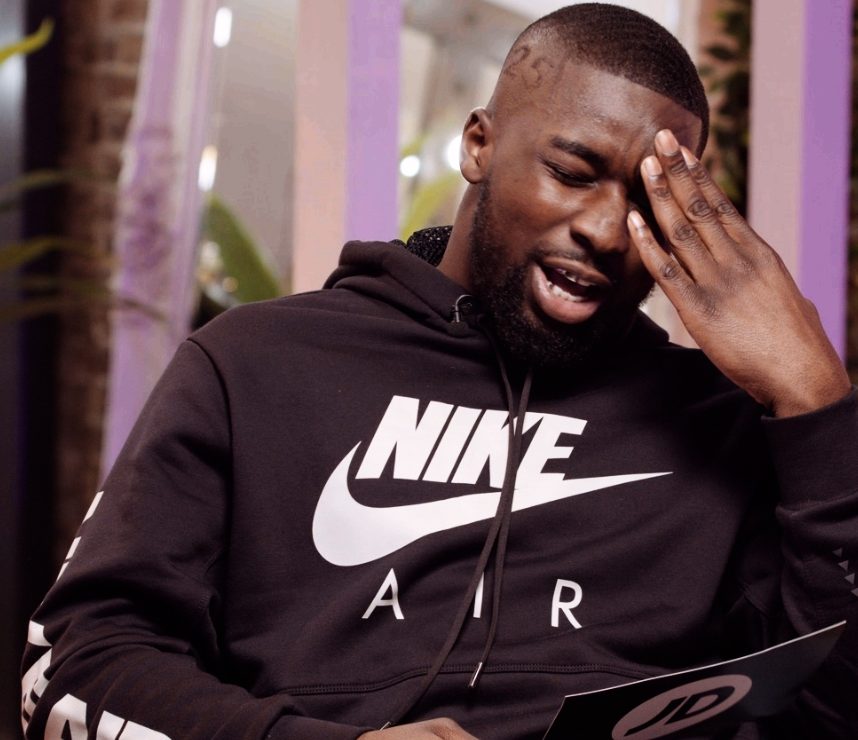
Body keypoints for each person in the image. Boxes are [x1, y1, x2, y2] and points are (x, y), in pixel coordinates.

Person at [21, 4, 857, 739]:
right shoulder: (254, 366)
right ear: (479, 145)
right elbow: (72, 670)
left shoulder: (716, 425)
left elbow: (832, 712)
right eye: (571, 173)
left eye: (646, 203)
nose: (606, 231)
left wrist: (819, 404)